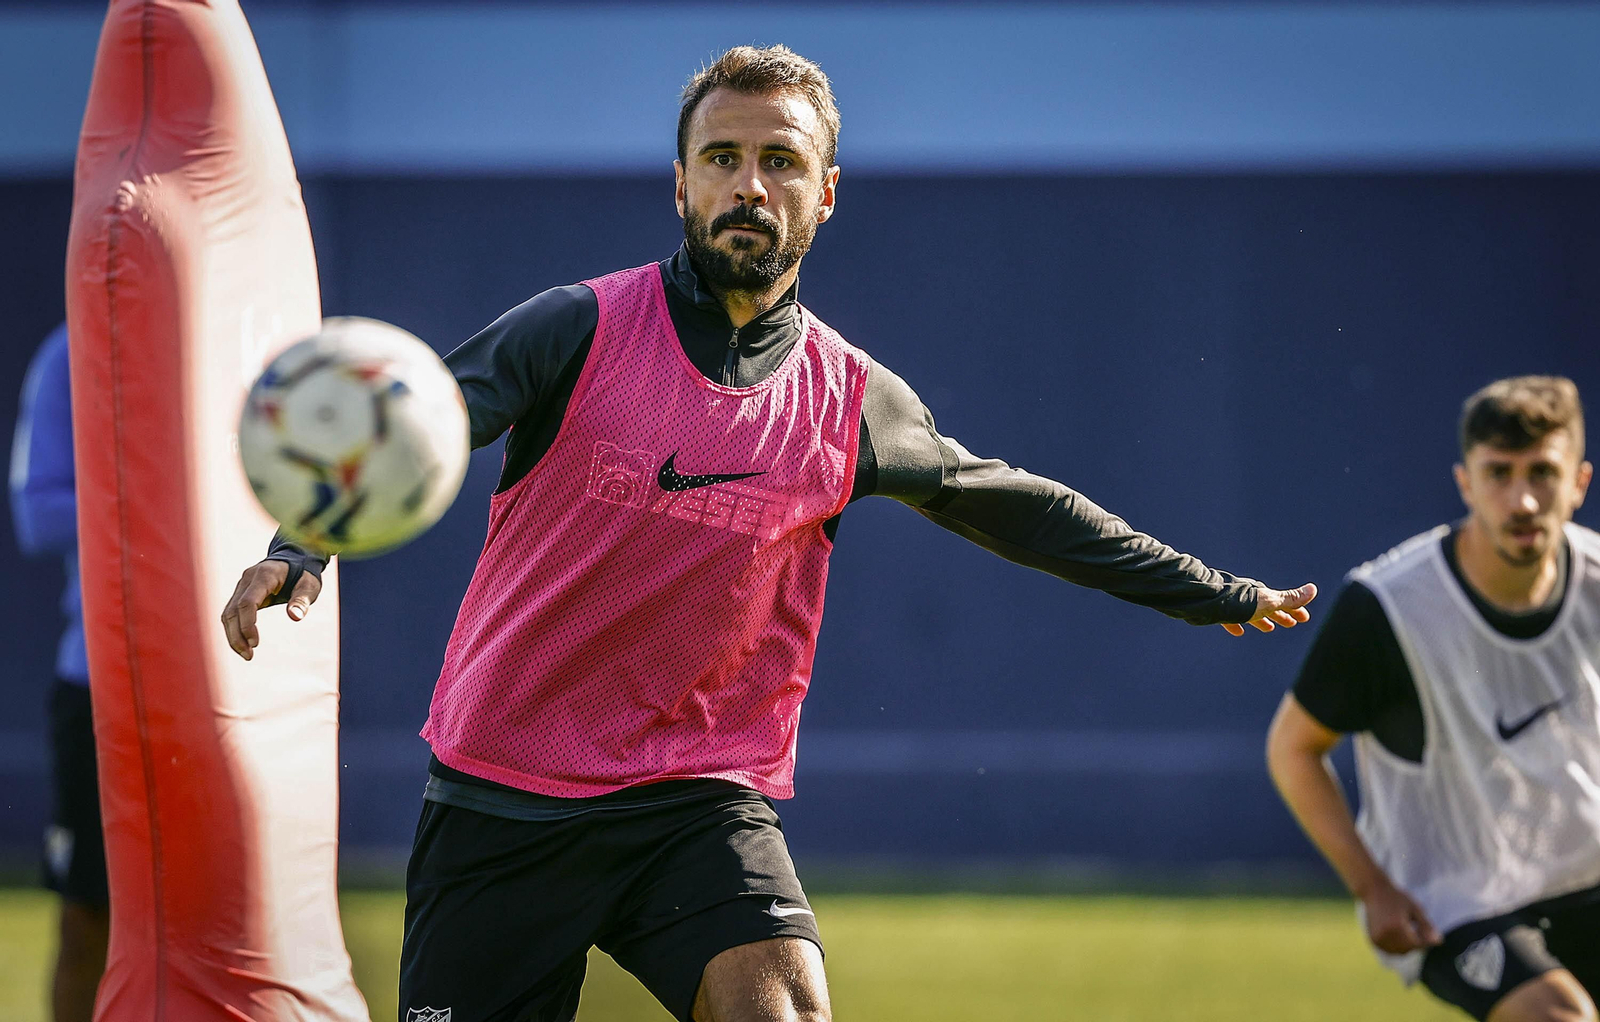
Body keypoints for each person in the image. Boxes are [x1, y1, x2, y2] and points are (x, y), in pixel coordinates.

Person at [221, 46, 1315, 1022]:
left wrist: (1211, 589)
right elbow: (415, 422)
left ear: (825, 193)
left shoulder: (850, 399)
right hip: (505, 796)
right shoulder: (580, 326)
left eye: (781, 161)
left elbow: (1018, 506)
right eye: (723, 156)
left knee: (780, 1005)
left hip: (694, 798)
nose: (751, 184)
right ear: (682, 181)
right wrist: (297, 545)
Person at [1268, 376, 1600, 1022]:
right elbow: (1293, 749)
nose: (1523, 498)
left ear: (1579, 482)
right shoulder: (1388, 606)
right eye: (1498, 473)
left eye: (1542, 472)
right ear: (1465, 483)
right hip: (1457, 901)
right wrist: (1372, 888)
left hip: (1585, 874)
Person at [10, 322, 110, 1022]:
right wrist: (161, 501)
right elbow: (37, 514)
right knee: (88, 919)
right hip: (97, 685)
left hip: (237, 682)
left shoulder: (244, 326)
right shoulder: (72, 351)